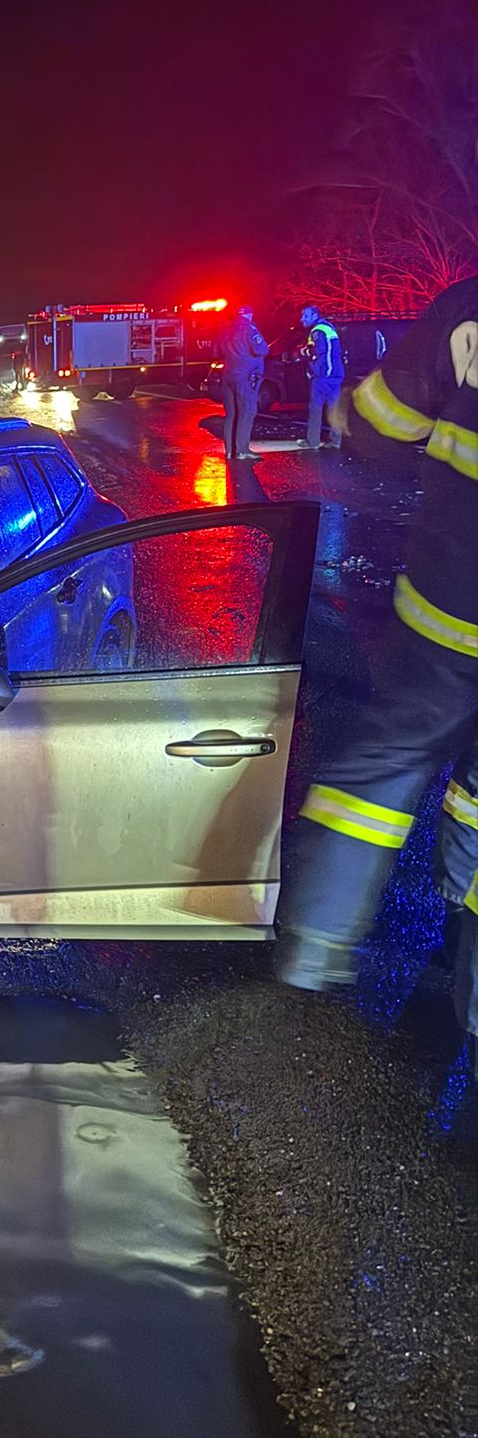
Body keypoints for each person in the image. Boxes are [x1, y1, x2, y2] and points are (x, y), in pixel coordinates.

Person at [276, 274, 478, 1073]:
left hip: (446, 612)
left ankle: (316, 944)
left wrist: (344, 418)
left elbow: (380, 424)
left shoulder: (467, 310)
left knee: (380, 771)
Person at [217, 303, 267, 461]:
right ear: (250, 315)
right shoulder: (250, 330)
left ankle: (230, 450)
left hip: (228, 376)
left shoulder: (227, 330)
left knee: (231, 414)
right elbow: (262, 350)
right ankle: (242, 449)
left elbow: (217, 350)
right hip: (245, 377)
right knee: (247, 412)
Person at [300, 304, 345, 448]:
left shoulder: (317, 330)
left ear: (314, 316)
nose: (302, 319)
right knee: (334, 408)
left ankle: (312, 441)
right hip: (336, 374)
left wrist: (304, 351)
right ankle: (335, 440)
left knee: (315, 408)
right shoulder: (329, 327)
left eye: (305, 316)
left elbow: (317, 350)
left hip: (323, 375)